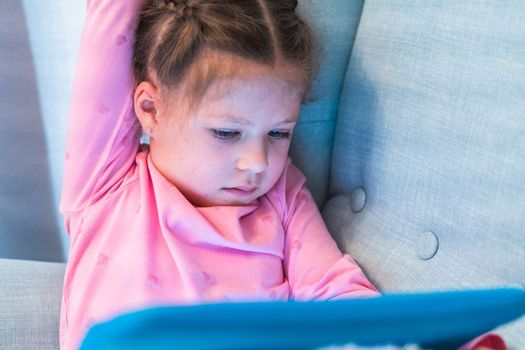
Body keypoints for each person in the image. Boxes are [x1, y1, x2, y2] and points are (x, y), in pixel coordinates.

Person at [59, 1, 504, 349]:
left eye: (278, 132)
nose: (257, 161)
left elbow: (334, 289)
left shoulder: (282, 194)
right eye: (227, 132)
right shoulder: (107, 182)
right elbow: (108, 23)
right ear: (151, 110)